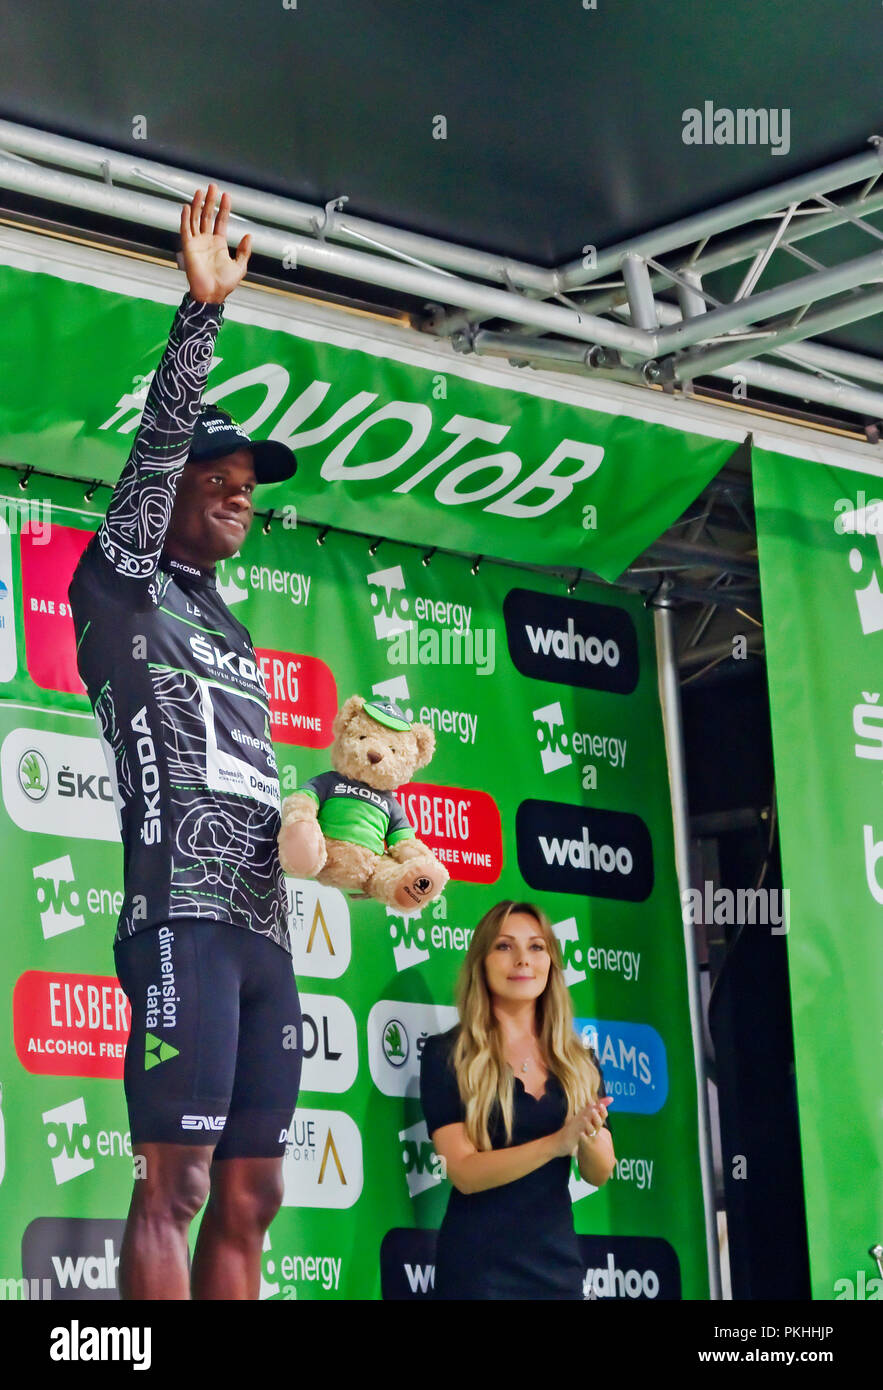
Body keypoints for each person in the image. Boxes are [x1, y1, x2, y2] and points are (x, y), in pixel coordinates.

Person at [68, 185, 300, 1301]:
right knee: (180, 1184)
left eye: (248, 490)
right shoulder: (118, 585)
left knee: (255, 1197)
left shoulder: (231, 623)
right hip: (182, 927)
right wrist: (199, 316)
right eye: (218, 481)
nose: (236, 498)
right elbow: (161, 446)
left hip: (264, 938)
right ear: (161, 499)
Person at [419, 899, 616, 1299]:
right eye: (505, 946)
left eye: (537, 947)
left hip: (557, 1268)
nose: (523, 960)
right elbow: (465, 1173)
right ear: (482, 962)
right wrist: (556, 1143)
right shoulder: (448, 1054)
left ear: (552, 964)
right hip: (479, 1272)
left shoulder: (579, 1061)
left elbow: (599, 1172)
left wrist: (589, 1134)